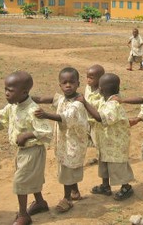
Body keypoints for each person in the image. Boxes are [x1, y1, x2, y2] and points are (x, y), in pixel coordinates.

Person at [0, 71, 53, 225]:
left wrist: (27, 135)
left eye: (10, 90)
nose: (6, 93)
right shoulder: (12, 106)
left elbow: (47, 132)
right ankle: (40, 203)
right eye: (5, 89)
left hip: (33, 152)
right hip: (22, 152)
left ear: (24, 92)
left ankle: (23, 215)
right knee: (29, 178)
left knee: (21, 181)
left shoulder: (33, 110)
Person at [34, 67, 89, 213]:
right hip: (65, 141)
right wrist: (27, 98)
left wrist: (45, 115)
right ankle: (75, 191)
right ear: (60, 85)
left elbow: (64, 117)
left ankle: (67, 199)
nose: (68, 85)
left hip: (73, 142)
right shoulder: (62, 98)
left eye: (72, 82)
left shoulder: (77, 103)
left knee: (67, 169)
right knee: (69, 166)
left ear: (78, 83)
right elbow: (43, 99)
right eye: (64, 82)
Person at [79, 73, 135, 201]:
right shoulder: (105, 101)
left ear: (100, 89)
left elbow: (100, 118)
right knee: (103, 163)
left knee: (117, 166)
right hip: (105, 142)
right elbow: (96, 107)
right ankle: (105, 186)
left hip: (115, 144)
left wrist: (84, 103)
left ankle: (126, 187)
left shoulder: (113, 105)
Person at [85, 64, 106, 164]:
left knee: (98, 140)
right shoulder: (88, 88)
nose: (88, 80)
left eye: (91, 78)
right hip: (88, 120)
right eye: (87, 77)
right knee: (92, 139)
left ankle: (101, 159)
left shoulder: (103, 92)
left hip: (97, 121)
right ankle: (100, 157)